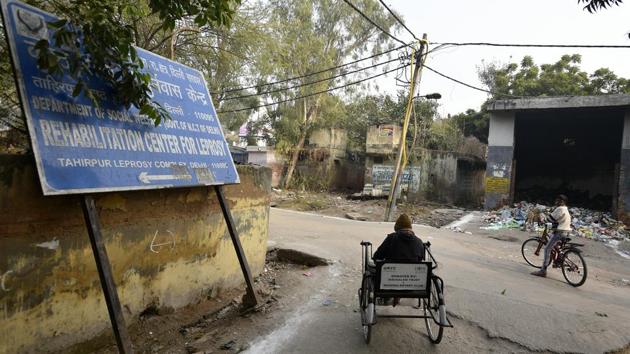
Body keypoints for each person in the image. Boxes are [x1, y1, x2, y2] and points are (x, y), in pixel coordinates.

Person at [531, 195, 572, 277]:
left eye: (557, 201)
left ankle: (543, 271)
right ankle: (558, 260)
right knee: (554, 241)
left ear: (561, 202)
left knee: (547, 249)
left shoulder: (559, 209)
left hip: (560, 231)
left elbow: (550, 219)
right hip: (566, 231)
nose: (556, 202)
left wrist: (542, 220)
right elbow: (557, 218)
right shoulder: (565, 209)